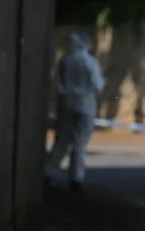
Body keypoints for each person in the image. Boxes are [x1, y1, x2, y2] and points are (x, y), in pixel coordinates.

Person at [47, 33, 106, 192]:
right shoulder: (90, 61)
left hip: (66, 102)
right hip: (85, 102)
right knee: (80, 141)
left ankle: (49, 171)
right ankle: (76, 177)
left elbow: (58, 82)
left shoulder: (64, 60)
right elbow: (98, 84)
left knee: (62, 139)